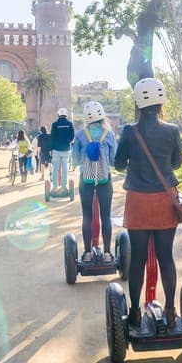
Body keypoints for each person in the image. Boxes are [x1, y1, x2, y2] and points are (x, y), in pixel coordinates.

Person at [113, 77, 182, 328]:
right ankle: (171, 309)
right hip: (165, 201)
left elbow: (119, 164)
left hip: (139, 202)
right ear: (162, 101)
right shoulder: (172, 130)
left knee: (138, 259)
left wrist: (134, 163)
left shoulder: (130, 131)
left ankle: (133, 311)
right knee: (166, 257)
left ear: (138, 103)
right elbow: (176, 164)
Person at [72, 101, 118, 263]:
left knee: (87, 216)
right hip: (105, 180)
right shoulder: (109, 135)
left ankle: (87, 253)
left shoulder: (80, 134)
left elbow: (76, 159)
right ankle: (106, 253)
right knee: (106, 216)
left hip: (86, 179)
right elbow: (113, 160)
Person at [49, 108, 75, 190]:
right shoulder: (70, 124)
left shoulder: (55, 124)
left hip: (56, 150)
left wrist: (51, 149)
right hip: (66, 150)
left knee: (55, 169)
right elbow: (72, 136)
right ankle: (64, 187)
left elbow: (52, 137)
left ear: (58, 115)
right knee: (64, 169)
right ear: (66, 115)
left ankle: (55, 187)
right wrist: (67, 142)